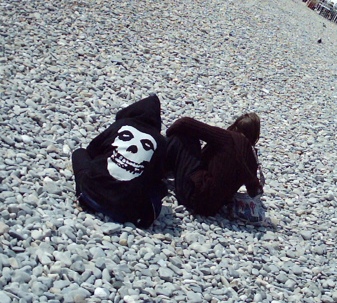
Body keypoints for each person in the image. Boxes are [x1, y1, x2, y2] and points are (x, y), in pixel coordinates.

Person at [72, 95, 168, 228]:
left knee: (79, 153)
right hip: (127, 212)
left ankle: (83, 193)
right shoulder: (160, 141)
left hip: (92, 195)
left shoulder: (121, 125)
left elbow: (92, 150)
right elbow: (157, 176)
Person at [165, 113, 264, 216]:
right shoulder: (252, 158)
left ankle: (155, 168)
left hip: (192, 195)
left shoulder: (227, 138)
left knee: (185, 138)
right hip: (212, 208)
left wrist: (167, 136)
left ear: (235, 126)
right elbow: (253, 189)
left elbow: (184, 123)